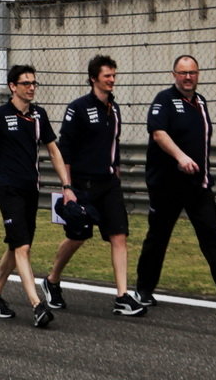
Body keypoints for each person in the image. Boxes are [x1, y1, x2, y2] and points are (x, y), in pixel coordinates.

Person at [0, 63, 76, 328]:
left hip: (31, 189)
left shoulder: (39, 116)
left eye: (34, 83)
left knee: (15, 244)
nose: (32, 87)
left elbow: (54, 152)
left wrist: (67, 186)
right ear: (13, 86)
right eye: (26, 83)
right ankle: (37, 305)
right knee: (23, 246)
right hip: (7, 189)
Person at [136, 55, 216, 310]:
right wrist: (180, 157)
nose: (188, 77)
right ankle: (143, 290)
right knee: (158, 237)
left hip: (197, 185)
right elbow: (158, 133)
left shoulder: (200, 102)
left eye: (192, 72)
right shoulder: (164, 100)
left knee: (211, 234)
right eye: (183, 73)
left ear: (198, 74)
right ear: (174, 75)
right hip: (167, 186)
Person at [43, 54, 146, 316]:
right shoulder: (77, 108)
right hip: (82, 185)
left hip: (109, 183)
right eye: (107, 76)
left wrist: (117, 175)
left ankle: (122, 296)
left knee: (119, 236)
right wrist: (67, 188)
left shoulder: (115, 108)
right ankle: (52, 279)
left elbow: (115, 146)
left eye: (114, 75)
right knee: (77, 238)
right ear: (93, 79)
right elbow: (64, 149)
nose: (112, 80)